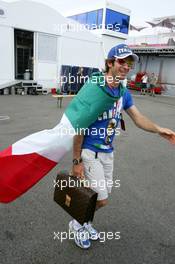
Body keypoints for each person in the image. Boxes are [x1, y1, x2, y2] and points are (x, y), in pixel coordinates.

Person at [68, 44, 175, 249]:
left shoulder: (122, 92)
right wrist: (76, 160)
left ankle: (86, 222)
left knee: (99, 194)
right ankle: (77, 223)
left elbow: (138, 117)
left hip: (108, 153)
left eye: (129, 63)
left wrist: (159, 129)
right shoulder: (96, 88)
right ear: (110, 63)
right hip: (91, 152)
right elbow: (80, 125)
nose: (126, 66)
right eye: (121, 61)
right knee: (101, 199)